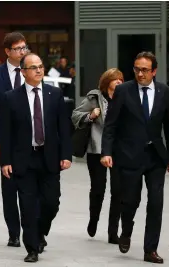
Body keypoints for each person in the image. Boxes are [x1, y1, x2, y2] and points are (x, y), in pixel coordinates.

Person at [101, 51, 169, 264]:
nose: (140, 73)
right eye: (136, 69)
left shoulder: (164, 91)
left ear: (154, 71)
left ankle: (150, 250)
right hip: (128, 155)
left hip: (155, 157)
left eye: (144, 70)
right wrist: (107, 152)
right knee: (130, 201)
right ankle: (126, 231)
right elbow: (111, 125)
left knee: (156, 203)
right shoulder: (123, 91)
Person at [0, 53, 72, 262]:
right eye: (33, 67)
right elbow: (6, 132)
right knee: (27, 205)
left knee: (51, 203)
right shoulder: (11, 97)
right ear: (23, 72)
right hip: (24, 159)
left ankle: (40, 232)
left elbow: (63, 128)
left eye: (41, 66)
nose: (39, 70)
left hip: (49, 157)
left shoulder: (54, 94)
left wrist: (66, 154)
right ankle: (31, 247)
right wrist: (6, 161)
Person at [0, 32, 27, 247]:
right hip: (6, 141)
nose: (23, 52)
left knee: (32, 188)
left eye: (24, 48)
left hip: (32, 139)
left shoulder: (32, 70)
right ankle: (14, 232)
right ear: (8, 51)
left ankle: (34, 231)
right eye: (18, 48)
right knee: (10, 189)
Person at [71, 68, 124, 244]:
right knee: (98, 189)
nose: (119, 82)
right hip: (97, 150)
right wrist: (90, 115)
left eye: (121, 79)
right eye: (115, 79)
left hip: (118, 151)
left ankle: (113, 231)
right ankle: (94, 220)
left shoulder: (124, 98)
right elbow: (75, 114)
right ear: (107, 81)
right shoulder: (94, 98)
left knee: (118, 191)